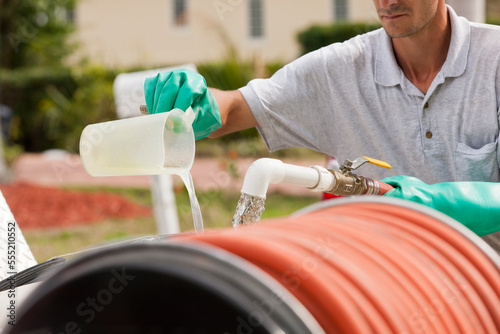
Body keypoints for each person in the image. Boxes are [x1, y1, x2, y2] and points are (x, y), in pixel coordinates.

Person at [144, 1, 500, 247]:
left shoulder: (494, 59)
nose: (387, 1)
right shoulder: (340, 71)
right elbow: (236, 107)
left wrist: (457, 204)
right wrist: (200, 104)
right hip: (392, 297)